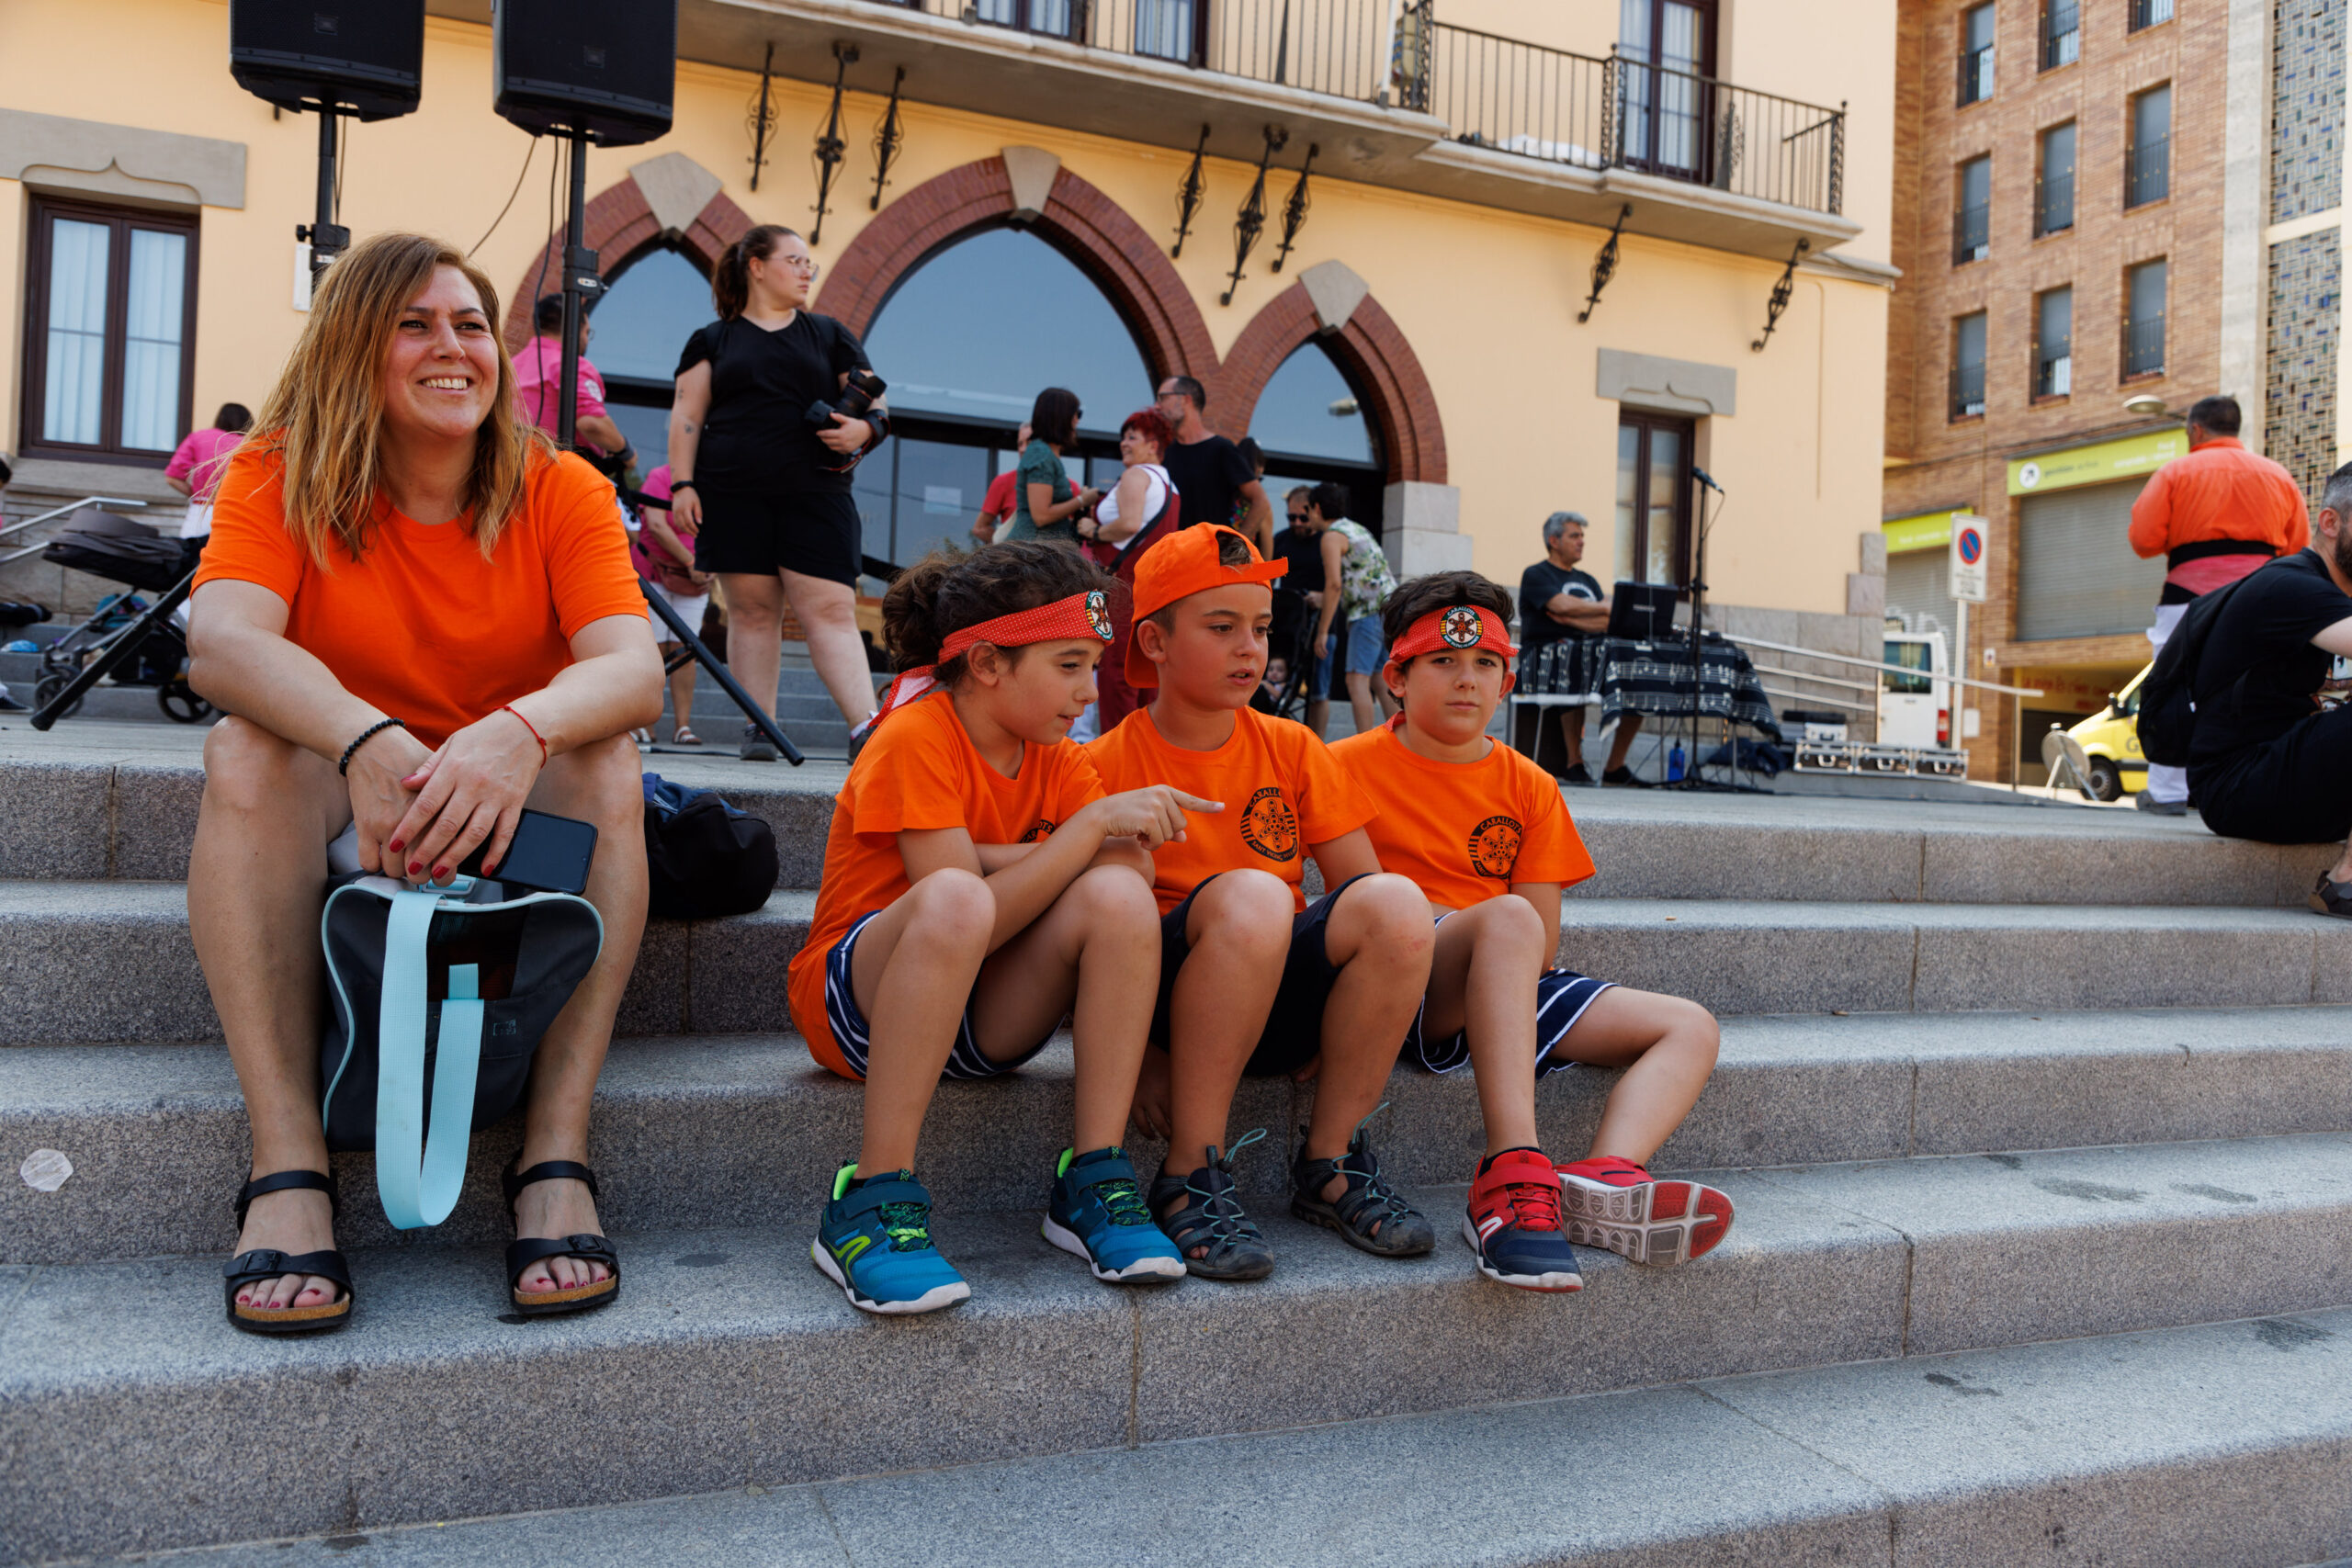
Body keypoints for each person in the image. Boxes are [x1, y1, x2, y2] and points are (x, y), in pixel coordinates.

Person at [185, 231, 663, 1334]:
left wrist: (519, 732)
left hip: (506, 818)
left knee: (606, 757)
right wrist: (368, 742)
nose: (453, 348)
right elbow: (220, 641)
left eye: (470, 326)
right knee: (244, 750)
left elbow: (633, 668)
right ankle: (287, 1165)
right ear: (354, 348)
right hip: (346, 801)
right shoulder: (276, 469)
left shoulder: (561, 485)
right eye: (414, 325)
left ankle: (554, 1158)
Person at [787, 541, 1204, 1314]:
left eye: (1093, 665)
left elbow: (1132, 866)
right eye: (1069, 664)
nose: (1088, 690)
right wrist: (1080, 836)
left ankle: (1093, 1177)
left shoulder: (1060, 757)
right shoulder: (914, 735)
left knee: (1118, 894)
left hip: (984, 1014)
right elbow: (964, 904)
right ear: (986, 663)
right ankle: (870, 1198)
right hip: (861, 1010)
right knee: (959, 895)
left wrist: (1050, 848)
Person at [1331, 570, 1730, 1290]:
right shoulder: (1341, 766)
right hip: (1401, 982)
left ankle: (1605, 1175)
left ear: (1507, 682)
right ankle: (1510, 1170)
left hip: (1507, 969)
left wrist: (1500, 946)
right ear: (1396, 677)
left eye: (1486, 663)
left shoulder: (1530, 783)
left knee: (1690, 1026)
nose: (1467, 679)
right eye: (1443, 661)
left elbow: (1540, 944)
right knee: (1503, 918)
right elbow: (1349, 907)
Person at [1089, 524, 1437, 1280]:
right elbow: (1083, 939)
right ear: (1154, 641)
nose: (1250, 648)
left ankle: (1331, 1161)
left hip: (1272, 987)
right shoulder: (1099, 765)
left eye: (1261, 627)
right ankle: (1189, 1172)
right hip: (1158, 1001)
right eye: (1222, 628)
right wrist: (1135, 1051)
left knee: (1398, 905)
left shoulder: (1293, 746)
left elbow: (1361, 890)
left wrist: (1341, 1019)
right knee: (1253, 895)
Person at [664, 225, 889, 759]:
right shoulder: (712, 340)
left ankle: (866, 727)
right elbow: (687, 415)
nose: (807, 271)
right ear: (757, 267)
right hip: (733, 493)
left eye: (809, 263)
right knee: (752, 612)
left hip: (816, 492)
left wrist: (865, 430)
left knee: (831, 608)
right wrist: (682, 484)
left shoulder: (829, 333)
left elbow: (877, 401)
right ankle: (759, 727)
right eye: (795, 260)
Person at [2129, 395, 2309, 815]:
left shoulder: (2175, 471)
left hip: (2188, 595)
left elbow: (2144, 540)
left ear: (2196, 430)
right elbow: (2298, 546)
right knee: (2257, 689)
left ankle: (2169, 793)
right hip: (2260, 596)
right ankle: (2255, 785)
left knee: (2172, 687)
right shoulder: (2278, 475)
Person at [2188, 463, 2352, 911]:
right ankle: (2344, 883)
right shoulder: (2290, 585)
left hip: (2303, 781)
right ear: (2331, 523)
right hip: (2237, 784)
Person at [1075, 408, 1182, 734]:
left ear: (1153, 445)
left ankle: (1118, 748)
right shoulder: (1171, 486)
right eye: (1124, 436)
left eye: (1132, 437)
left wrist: (1093, 530)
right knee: (1148, 671)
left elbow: (1130, 523)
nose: (1124, 443)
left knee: (1117, 671)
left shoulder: (1137, 475)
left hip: (1124, 587)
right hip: (1154, 589)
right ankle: (1148, 747)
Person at [1519, 511, 1644, 785]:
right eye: (1574, 536)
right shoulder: (1536, 574)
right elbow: (1559, 605)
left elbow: (1610, 622)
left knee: (1637, 677)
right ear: (1554, 541)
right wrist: (1601, 608)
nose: (1581, 541)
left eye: (1582, 536)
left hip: (1593, 653)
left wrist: (1571, 619)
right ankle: (1574, 762)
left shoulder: (1588, 580)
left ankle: (1615, 766)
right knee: (1573, 663)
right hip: (1545, 659)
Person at [1296, 483, 1398, 736]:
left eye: (1307, 510)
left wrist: (1322, 632)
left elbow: (1334, 585)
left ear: (1317, 508)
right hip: (1389, 610)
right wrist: (1323, 599)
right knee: (1380, 678)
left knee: (1356, 679)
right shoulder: (1355, 529)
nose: (1307, 516)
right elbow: (1358, 579)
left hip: (1367, 613)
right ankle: (1401, 739)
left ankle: (1365, 744)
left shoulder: (1332, 537)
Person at [631, 462, 708, 744]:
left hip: (694, 582)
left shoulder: (713, 479)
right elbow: (656, 525)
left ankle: (682, 727)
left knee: (686, 651)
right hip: (654, 574)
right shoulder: (660, 476)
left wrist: (712, 564)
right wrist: (690, 562)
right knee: (652, 649)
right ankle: (643, 724)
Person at [512, 294, 635, 468]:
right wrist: (625, 451)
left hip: (511, 467)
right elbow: (592, 424)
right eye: (587, 332)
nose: (586, 340)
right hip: (558, 468)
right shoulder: (572, 366)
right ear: (576, 328)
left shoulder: (510, 366)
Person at [1153, 375, 1272, 553]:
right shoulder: (1165, 452)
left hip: (1209, 560)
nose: (1157, 406)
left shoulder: (1221, 449)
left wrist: (1234, 549)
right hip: (1171, 558)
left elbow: (1260, 501)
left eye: (1163, 398)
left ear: (1185, 400)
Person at [1002, 389, 1101, 546]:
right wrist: (1082, 500)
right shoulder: (1040, 454)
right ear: (1062, 416)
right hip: (1031, 550)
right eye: (1077, 414)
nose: (1078, 420)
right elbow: (1041, 516)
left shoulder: (1046, 453)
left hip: (1039, 548)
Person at [1270, 484, 1331, 734]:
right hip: (1288, 626)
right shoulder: (1281, 540)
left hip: (1322, 624)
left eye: (1302, 518)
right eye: (1291, 517)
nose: (1296, 523)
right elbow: (1268, 580)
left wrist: (1323, 597)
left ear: (1314, 512)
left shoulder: (1327, 541)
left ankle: (1317, 744)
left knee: (1318, 692)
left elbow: (1342, 585)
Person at [164, 402, 252, 573]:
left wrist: (197, 494)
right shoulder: (251, 443)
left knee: (185, 567)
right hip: (236, 513)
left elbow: (172, 477)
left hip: (201, 511)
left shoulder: (198, 438)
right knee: (225, 569)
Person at [968, 422, 1031, 547]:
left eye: (1029, 443)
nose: (1022, 449)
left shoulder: (1067, 488)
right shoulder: (1003, 482)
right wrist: (1007, 544)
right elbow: (979, 528)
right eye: (1020, 444)